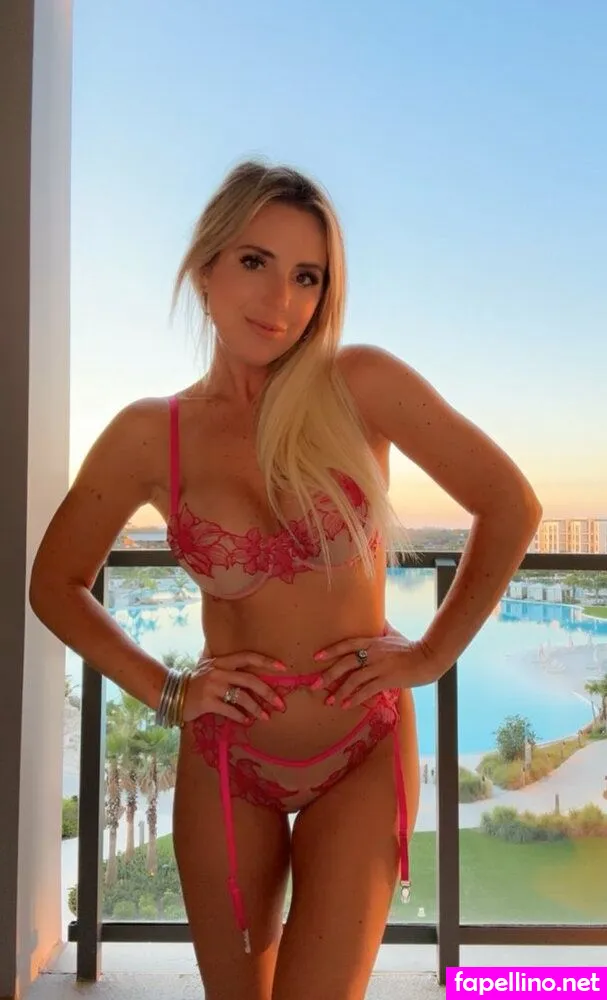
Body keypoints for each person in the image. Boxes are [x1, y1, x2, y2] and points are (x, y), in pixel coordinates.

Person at [29, 159, 543, 1000]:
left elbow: (509, 504)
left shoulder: (359, 385)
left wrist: (430, 654)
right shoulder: (147, 435)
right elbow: (55, 583)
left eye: (308, 276)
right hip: (226, 756)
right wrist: (168, 690)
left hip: (362, 744)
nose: (280, 299)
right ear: (204, 270)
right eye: (254, 261)